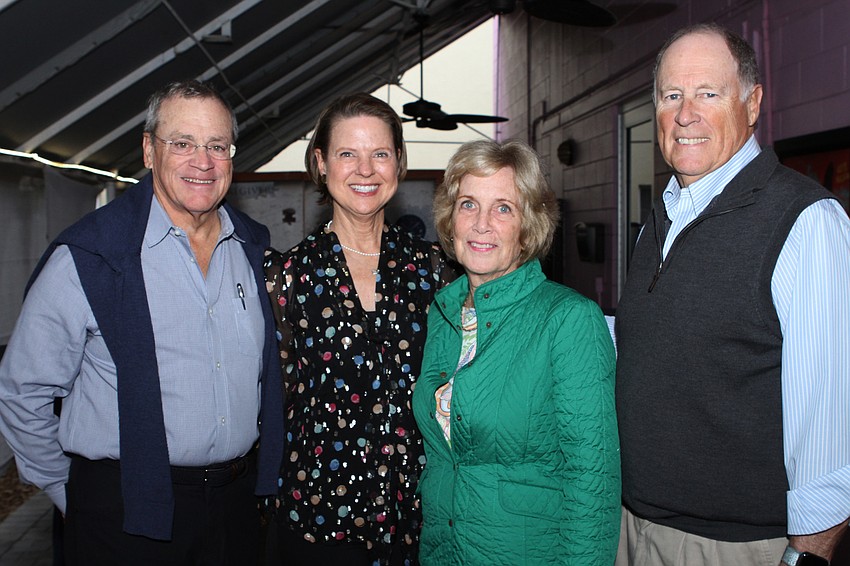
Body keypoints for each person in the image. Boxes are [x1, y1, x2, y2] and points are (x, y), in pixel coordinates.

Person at [0, 79, 284, 565]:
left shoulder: (254, 250)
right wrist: (72, 493)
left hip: (234, 507)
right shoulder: (92, 254)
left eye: (218, 146)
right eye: (183, 143)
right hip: (124, 511)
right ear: (149, 150)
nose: (203, 161)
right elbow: (23, 389)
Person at [615, 24, 850, 566]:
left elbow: (829, 423)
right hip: (632, 527)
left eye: (708, 93)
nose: (684, 113)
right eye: (671, 95)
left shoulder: (805, 222)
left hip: (733, 546)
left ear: (753, 104)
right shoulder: (659, 221)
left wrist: (807, 556)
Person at [263, 92, 456, 565]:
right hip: (319, 522)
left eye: (380, 154)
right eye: (348, 153)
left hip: (418, 518)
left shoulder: (436, 273)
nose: (365, 170)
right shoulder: (285, 279)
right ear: (321, 163)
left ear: (399, 164)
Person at [412, 139, 621, 565]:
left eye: (503, 208)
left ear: (528, 225)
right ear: (451, 220)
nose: (482, 224)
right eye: (468, 204)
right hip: (442, 552)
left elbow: (592, 482)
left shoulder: (568, 319)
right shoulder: (443, 313)